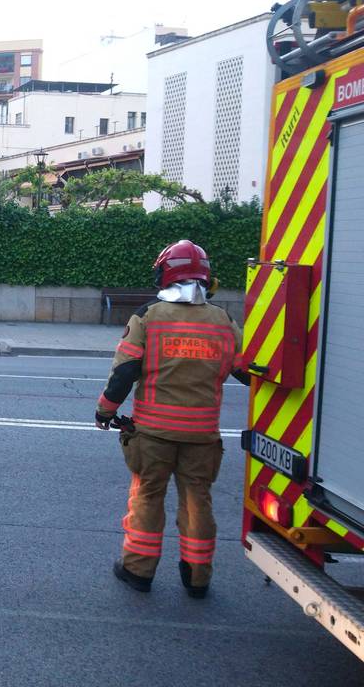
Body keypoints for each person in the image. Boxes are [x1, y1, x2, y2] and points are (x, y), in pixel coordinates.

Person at [96, 240, 249, 598]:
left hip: (153, 434)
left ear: (166, 273)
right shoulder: (223, 320)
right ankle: (197, 577)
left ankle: (138, 571)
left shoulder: (149, 316)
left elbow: (125, 373)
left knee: (147, 498)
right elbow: (247, 370)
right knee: (198, 501)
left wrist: (105, 410)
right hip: (202, 435)